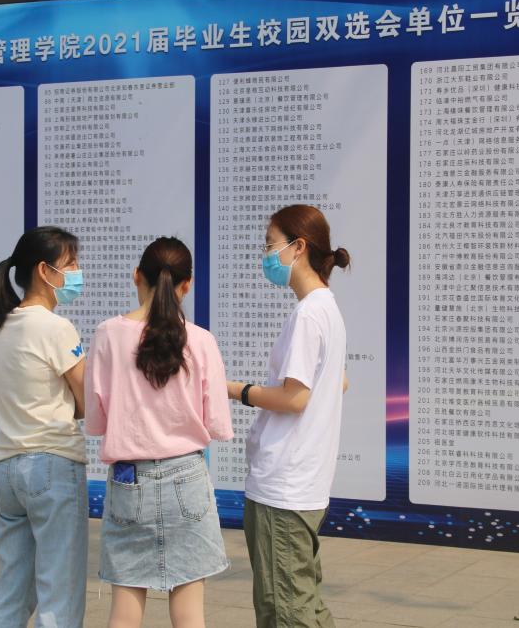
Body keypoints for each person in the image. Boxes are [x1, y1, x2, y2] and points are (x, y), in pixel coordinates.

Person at [85, 237, 233, 628]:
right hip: (187, 476)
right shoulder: (201, 340)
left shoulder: (107, 334)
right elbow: (217, 423)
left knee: (124, 611)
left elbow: (96, 421)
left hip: (128, 479)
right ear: (187, 285)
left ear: (137, 276)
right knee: (189, 614)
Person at [226, 204, 350, 628]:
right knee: (304, 602)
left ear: (298, 247)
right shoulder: (326, 308)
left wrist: (233, 389)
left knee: (284, 610)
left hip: (284, 484)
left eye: (270, 245)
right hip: (304, 481)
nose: (266, 255)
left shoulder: (308, 314)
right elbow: (339, 382)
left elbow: (295, 398)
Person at [0, 226, 88, 628]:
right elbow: (88, 400)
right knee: (60, 589)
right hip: (52, 464)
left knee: (12, 586)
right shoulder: (56, 328)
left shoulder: (4, 326)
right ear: (45, 270)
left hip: (8, 466)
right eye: (70, 264)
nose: (76, 272)